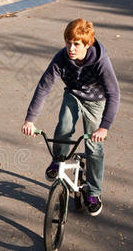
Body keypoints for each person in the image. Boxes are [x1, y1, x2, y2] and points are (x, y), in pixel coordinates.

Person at [21, 18, 120, 216]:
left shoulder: (100, 61)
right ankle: (59, 159)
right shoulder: (61, 58)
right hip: (73, 94)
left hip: (96, 101)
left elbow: (114, 94)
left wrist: (104, 127)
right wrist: (30, 120)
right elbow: (44, 87)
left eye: (76, 44)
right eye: (68, 42)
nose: (71, 48)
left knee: (93, 147)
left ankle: (93, 192)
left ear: (87, 44)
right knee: (64, 127)